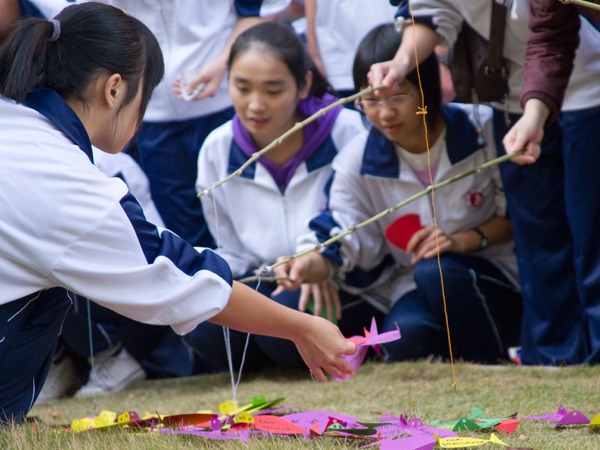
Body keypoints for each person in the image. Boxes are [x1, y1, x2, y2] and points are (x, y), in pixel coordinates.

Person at [0, 4, 355, 424]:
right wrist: (301, 327)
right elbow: (176, 271)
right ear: (114, 90)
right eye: (145, 96)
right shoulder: (66, 181)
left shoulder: (17, 126)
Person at [368, 0, 600, 366]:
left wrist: (534, 114)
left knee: (591, 234)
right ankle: (554, 359)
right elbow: (432, 11)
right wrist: (398, 67)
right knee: (538, 237)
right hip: (511, 99)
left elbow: (550, 39)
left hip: (586, 90)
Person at [274, 24, 522, 364]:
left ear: (427, 88)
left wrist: (462, 241)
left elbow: (521, 213)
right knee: (406, 338)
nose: (385, 113)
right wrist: (306, 264)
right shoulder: (356, 161)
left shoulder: (482, 132)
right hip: (418, 282)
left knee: (437, 270)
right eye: (370, 100)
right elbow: (342, 232)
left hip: (498, 272)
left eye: (398, 95)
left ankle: (495, 363)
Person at [183, 21, 379, 371]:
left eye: (273, 91)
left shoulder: (345, 131)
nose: (255, 105)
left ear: (303, 84)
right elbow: (231, 248)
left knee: (284, 328)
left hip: (346, 279)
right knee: (200, 328)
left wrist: (322, 266)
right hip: (268, 278)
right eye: (241, 87)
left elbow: (365, 227)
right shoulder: (217, 148)